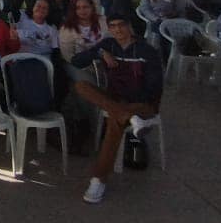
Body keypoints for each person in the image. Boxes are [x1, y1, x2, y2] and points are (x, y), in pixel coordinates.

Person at [69, 13, 163, 204]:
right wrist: (99, 53)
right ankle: (126, 116)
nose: (118, 29)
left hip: (142, 103)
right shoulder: (109, 45)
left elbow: (154, 87)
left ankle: (99, 180)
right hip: (116, 100)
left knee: (114, 122)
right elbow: (77, 61)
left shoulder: (147, 51)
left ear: (129, 26)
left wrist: (127, 105)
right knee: (81, 86)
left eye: (121, 25)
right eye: (113, 26)